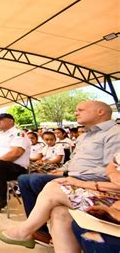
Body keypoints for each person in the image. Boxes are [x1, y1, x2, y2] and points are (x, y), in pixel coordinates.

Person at [17, 100, 120, 244]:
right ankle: (39, 230)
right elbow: (72, 161)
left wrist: (70, 175)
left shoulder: (115, 133)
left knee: (37, 181)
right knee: (24, 179)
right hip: (72, 176)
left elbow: (111, 169)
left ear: (100, 112)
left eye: (81, 109)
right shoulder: (84, 136)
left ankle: (33, 227)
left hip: (91, 181)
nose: (75, 113)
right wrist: (61, 170)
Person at [0, 155, 120, 252]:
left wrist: (85, 183)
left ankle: (25, 231)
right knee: (59, 211)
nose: (76, 117)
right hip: (105, 190)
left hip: (108, 194)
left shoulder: (113, 134)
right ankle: (33, 231)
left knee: (53, 188)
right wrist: (114, 174)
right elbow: (112, 165)